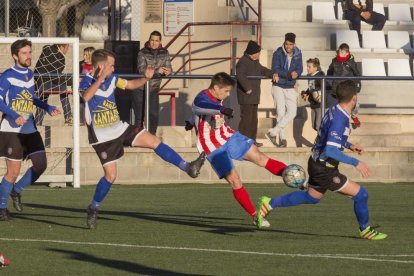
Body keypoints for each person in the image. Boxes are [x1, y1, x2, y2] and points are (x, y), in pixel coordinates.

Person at [80, 49, 205, 229]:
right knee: (111, 176)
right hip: (102, 138)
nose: (113, 69)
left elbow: (130, 85)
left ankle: (188, 167)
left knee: (154, 141)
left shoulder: (113, 79)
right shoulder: (86, 80)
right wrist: (100, 78)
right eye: (111, 65)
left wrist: (146, 78)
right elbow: (86, 97)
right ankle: (93, 208)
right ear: (101, 66)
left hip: (120, 128)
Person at [255, 80, 387, 240]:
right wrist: (356, 162)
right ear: (354, 98)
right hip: (325, 169)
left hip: (317, 163)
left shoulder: (334, 110)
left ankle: (269, 203)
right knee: (361, 195)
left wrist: (349, 145)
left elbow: (328, 137)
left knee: (311, 197)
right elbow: (330, 149)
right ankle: (365, 230)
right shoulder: (339, 119)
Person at [190, 72, 288, 227]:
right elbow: (201, 106)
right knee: (235, 180)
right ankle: (256, 216)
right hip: (212, 146)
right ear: (216, 87)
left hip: (228, 136)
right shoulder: (201, 98)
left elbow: (198, 113)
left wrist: (191, 121)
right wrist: (221, 110)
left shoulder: (217, 97)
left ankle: (292, 176)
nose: (228, 94)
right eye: (226, 91)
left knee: (260, 156)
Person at [0, 39, 61, 221]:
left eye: (30, 52)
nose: (28, 56)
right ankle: (2, 209)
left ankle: (17, 191)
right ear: (15, 56)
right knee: (13, 171)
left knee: (41, 165)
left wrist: (47, 107)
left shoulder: (30, 74)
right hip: (12, 130)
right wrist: (12, 114)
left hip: (29, 128)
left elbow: (31, 97)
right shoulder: (7, 75)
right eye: (24, 53)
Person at [236, 40, 278, 147]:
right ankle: (242, 142)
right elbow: (240, 75)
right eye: (258, 52)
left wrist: (273, 73)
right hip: (246, 97)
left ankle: (251, 141)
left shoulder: (255, 62)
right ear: (253, 53)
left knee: (253, 121)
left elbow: (263, 70)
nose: (259, 54)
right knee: (246, 120)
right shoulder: (243, 62)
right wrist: (247, 88)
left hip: (254, 97)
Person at [266, 33, 303, 147]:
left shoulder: (298, 53)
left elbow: (300, 68)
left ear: (294, 44)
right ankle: (282, 139)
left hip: (290, 86)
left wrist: (297, 73)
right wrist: (289, 74)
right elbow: (275, 68)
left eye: (290, 44)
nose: (288, 47)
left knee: (292, 112)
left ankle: (272, 133)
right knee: (280, 113)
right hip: (278, 85)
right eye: (286, 44)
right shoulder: (278, 53)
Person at [134, 30, 172, 134]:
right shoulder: (142, 52)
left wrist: (168, 71)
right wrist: (157, 71)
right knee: (139, 116)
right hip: (140, 88)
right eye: (152, 40)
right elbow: (141, 70)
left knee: (154, 114)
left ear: (160, 42)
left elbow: (168, 67)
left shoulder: (165, 52)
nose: (154, 42)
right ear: (149, 40)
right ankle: (137, 138)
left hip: (153, 89)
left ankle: (151, 137)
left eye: (156, 40)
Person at [34, 44, 72, 126]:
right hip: (42, 82)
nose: (67, 50)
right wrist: (70, 81)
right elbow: (55, 76)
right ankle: (68, 117)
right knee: (63, 87)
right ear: (62, 47)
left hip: (42, 82)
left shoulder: (50, 51)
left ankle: (37, 122)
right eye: (67, 47)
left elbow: (55, 75)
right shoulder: (54, 54)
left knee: (43, 100)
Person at [327, 43, 361, 128]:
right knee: (340, 108)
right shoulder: (334, 61)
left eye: (342, 52)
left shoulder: (351, 62)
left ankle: (354, 116)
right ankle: (342, 125)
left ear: (347, 53)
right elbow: (329, 72)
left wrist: (358, 85)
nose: (340, 54)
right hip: (337, 88)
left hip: (348, 87)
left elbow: (357, 74)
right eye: (339, 51)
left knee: (355, 104)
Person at [300, 58, 325, 131]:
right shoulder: (310, 76)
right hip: (313, 104)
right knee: (314, 126)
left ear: (315, 67)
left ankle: (321, 142)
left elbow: (325, 87)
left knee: (318, 126)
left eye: (309, 67)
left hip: (320, 105)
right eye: (307, 66)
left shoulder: (320, 76)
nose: (307, 68)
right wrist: (306, 93)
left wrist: (320, 95)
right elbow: (311, 88)